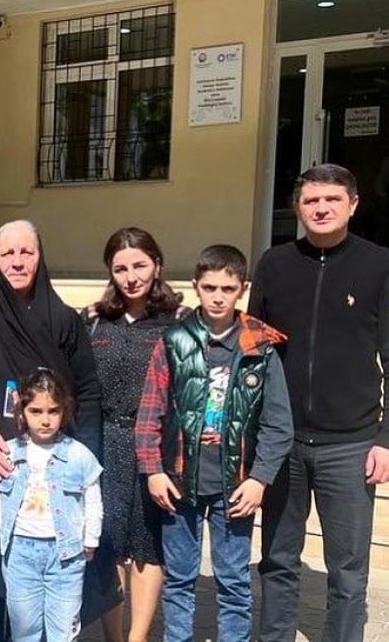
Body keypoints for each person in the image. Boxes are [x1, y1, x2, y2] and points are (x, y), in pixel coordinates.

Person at [0, 219, 111, 642]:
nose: (17, 261)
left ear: (40, 256)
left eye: (26, 252)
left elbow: (87, 390)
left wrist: (82, 458)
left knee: (49, 560)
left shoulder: (63, 320)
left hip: (50, 464)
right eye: (7, 253)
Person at [249, 163, 389, 642]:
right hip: (283, 442)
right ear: (297, 207)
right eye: (311, 200)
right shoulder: (274, 264)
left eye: (332, 199)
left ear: (353, 204)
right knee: (277, 559)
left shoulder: (379, 265)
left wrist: (385, 439)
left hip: (350, 444)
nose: (322, 208)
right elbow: (253, 351)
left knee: (348, 570)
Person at [135, 244, 293, 642]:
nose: (218, 297)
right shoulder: (174, 341)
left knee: (234, 581)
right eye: (209, 287)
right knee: (179, 579)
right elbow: (150, 411)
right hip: (179, 481)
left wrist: (259, 478)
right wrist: (153, 470)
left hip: (235, 486)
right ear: (196, 286)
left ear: (243, 289)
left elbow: (278, 424)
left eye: (227, 288)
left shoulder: (260, 347)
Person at [82, 227, 185, 642]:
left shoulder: (180, 322)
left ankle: (138, 636)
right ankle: (113, 636)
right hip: (103, 443)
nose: (131, 277)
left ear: (157, 264)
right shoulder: (93, 321)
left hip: (153, 447)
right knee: (107, 542)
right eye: (120, 268)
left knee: (146, 543)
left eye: (140, 265)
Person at [0, 368, 104, 642]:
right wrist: (5, 533)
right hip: (20, 553)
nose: (45, 420)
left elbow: (93, 499)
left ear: (64, 411)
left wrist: (91, 538)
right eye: (36, 411)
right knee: (24, 628)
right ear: (22, 412)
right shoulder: (9, 452)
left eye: (53, 411)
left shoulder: (79, 454)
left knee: (63, 629)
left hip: (65, 556)